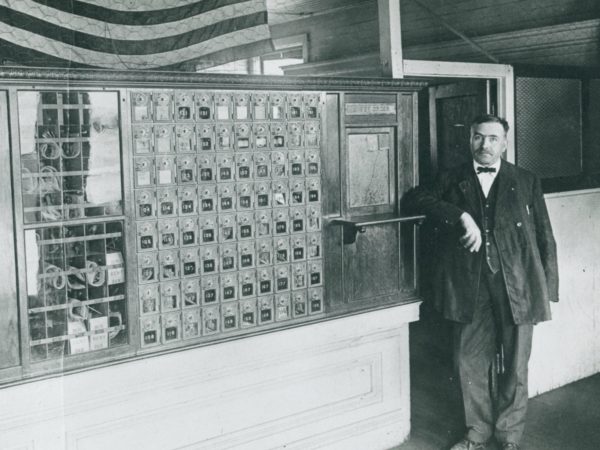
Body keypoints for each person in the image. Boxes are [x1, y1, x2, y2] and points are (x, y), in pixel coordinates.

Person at [405, 114, 559, 450]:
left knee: (516, 364)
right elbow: (414, 198)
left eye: (492, 138)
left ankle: (508, 436)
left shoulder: (526, 179)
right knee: (468, 362)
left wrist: (547, 286)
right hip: (468, 286)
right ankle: (477, 433)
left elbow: (543, 234)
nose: (484, 145)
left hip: (517, 284)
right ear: (469, 140)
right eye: (478, 137)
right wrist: (461, 216)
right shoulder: (450, 178)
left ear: (504, 142)